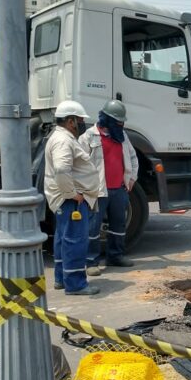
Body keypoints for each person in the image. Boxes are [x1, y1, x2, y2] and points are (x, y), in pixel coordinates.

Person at [44, 100, 101, 295]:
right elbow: (61, 169)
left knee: (63, 239)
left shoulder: (60, 137)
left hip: (64, 199)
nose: (82, 124)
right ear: (70, 121)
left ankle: (62, 278)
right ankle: (75, 284)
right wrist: (72, 194)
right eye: (79, 120)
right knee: (75, 240)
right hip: (70, 200)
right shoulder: (63, 140)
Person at [78, 100, 138, 276]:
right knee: (93, 227)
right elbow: (79, 166)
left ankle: (116, 256)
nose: (121, 125)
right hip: (98, 190)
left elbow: (133, 158)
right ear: (106, 119)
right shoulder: (89, 137)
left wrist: (132, 178)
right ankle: (91, 262)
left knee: (118, 225)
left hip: (119, 189)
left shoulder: (122, 136)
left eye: (122, 122)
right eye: (118, 122)